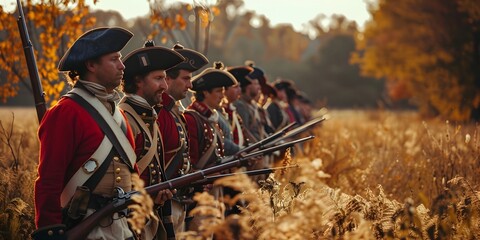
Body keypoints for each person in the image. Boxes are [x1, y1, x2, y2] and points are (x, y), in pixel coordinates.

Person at [33, 27, 138, 239]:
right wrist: (50, 231)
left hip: (122, 228)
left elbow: (131, 172)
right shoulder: (65, 112)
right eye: (114, 59)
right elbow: (49, 181)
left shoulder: (117, 114)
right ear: (91, 65)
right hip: (84, 228)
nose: (122, 65)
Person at [119, 41, 185, 239]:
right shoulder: (125, 119)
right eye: (158, 79)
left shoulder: (148, 117)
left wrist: (155, 198)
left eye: (165, 79)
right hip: (130, 221)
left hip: (149, 216)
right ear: (138, 81)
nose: (164, 86)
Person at [156, 43, 208, 239]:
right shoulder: (159, 113)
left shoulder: (175, 112)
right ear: (168, 80)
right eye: (186, 78)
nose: (190, 85)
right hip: (164, 205)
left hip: (179, 200)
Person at [183, 62, 238, 231]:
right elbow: (190, 160)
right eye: (218, 91)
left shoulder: (210, 118)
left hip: (213, 190)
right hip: (200, 195)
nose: (223, 95)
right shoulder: (192, 118)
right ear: (205, 92)